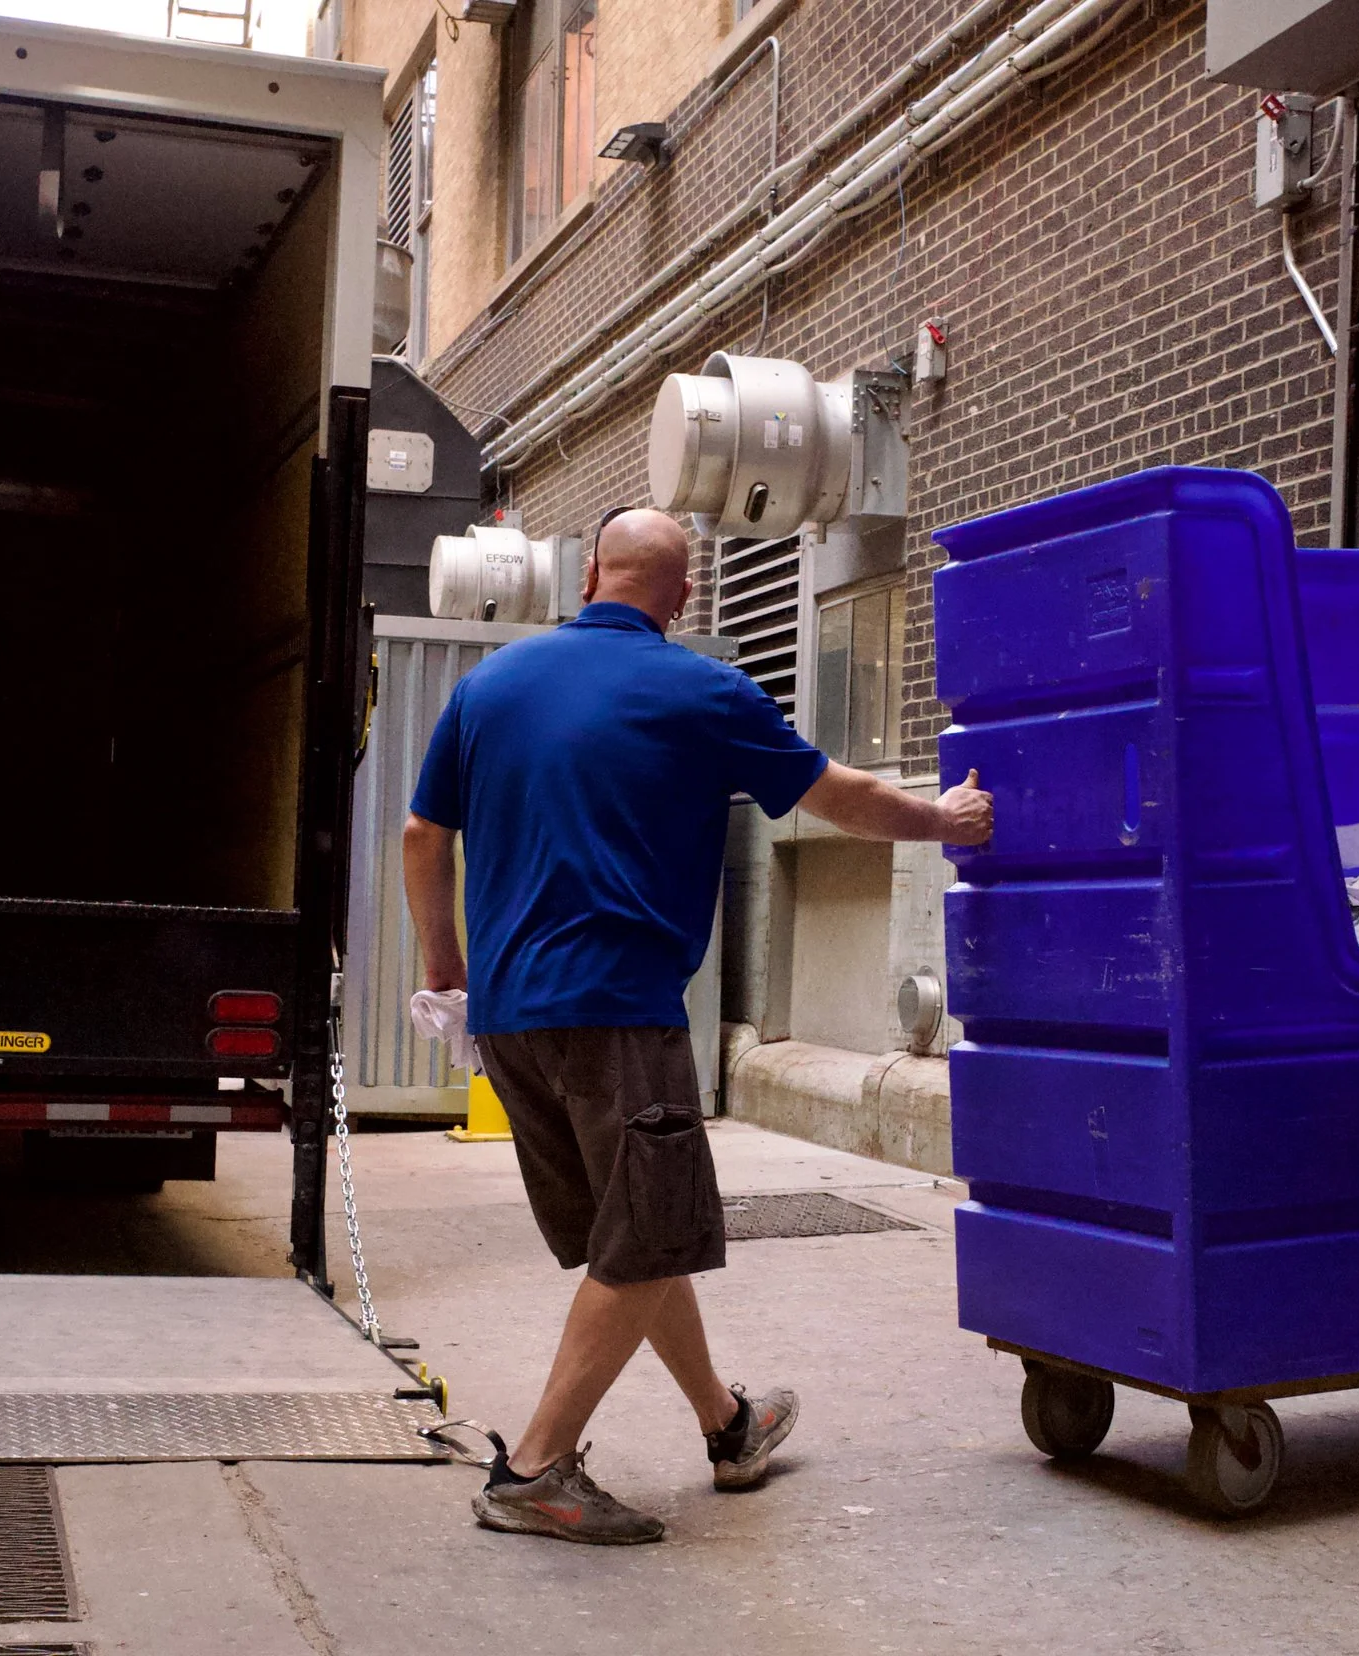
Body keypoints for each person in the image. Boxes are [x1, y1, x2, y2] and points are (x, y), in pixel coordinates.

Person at [402, 508, 994, 1545]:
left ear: (588, 574)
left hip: (506, 1024)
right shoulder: (701, 689)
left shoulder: (489, 685)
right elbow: (840, 798)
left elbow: (420, 833)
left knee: (631, 1234)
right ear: (681, 599)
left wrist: (443, 967)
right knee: (646, 1238)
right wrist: (941, 821)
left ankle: (726, 1423)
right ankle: (534, 1469)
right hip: (619, 1014)